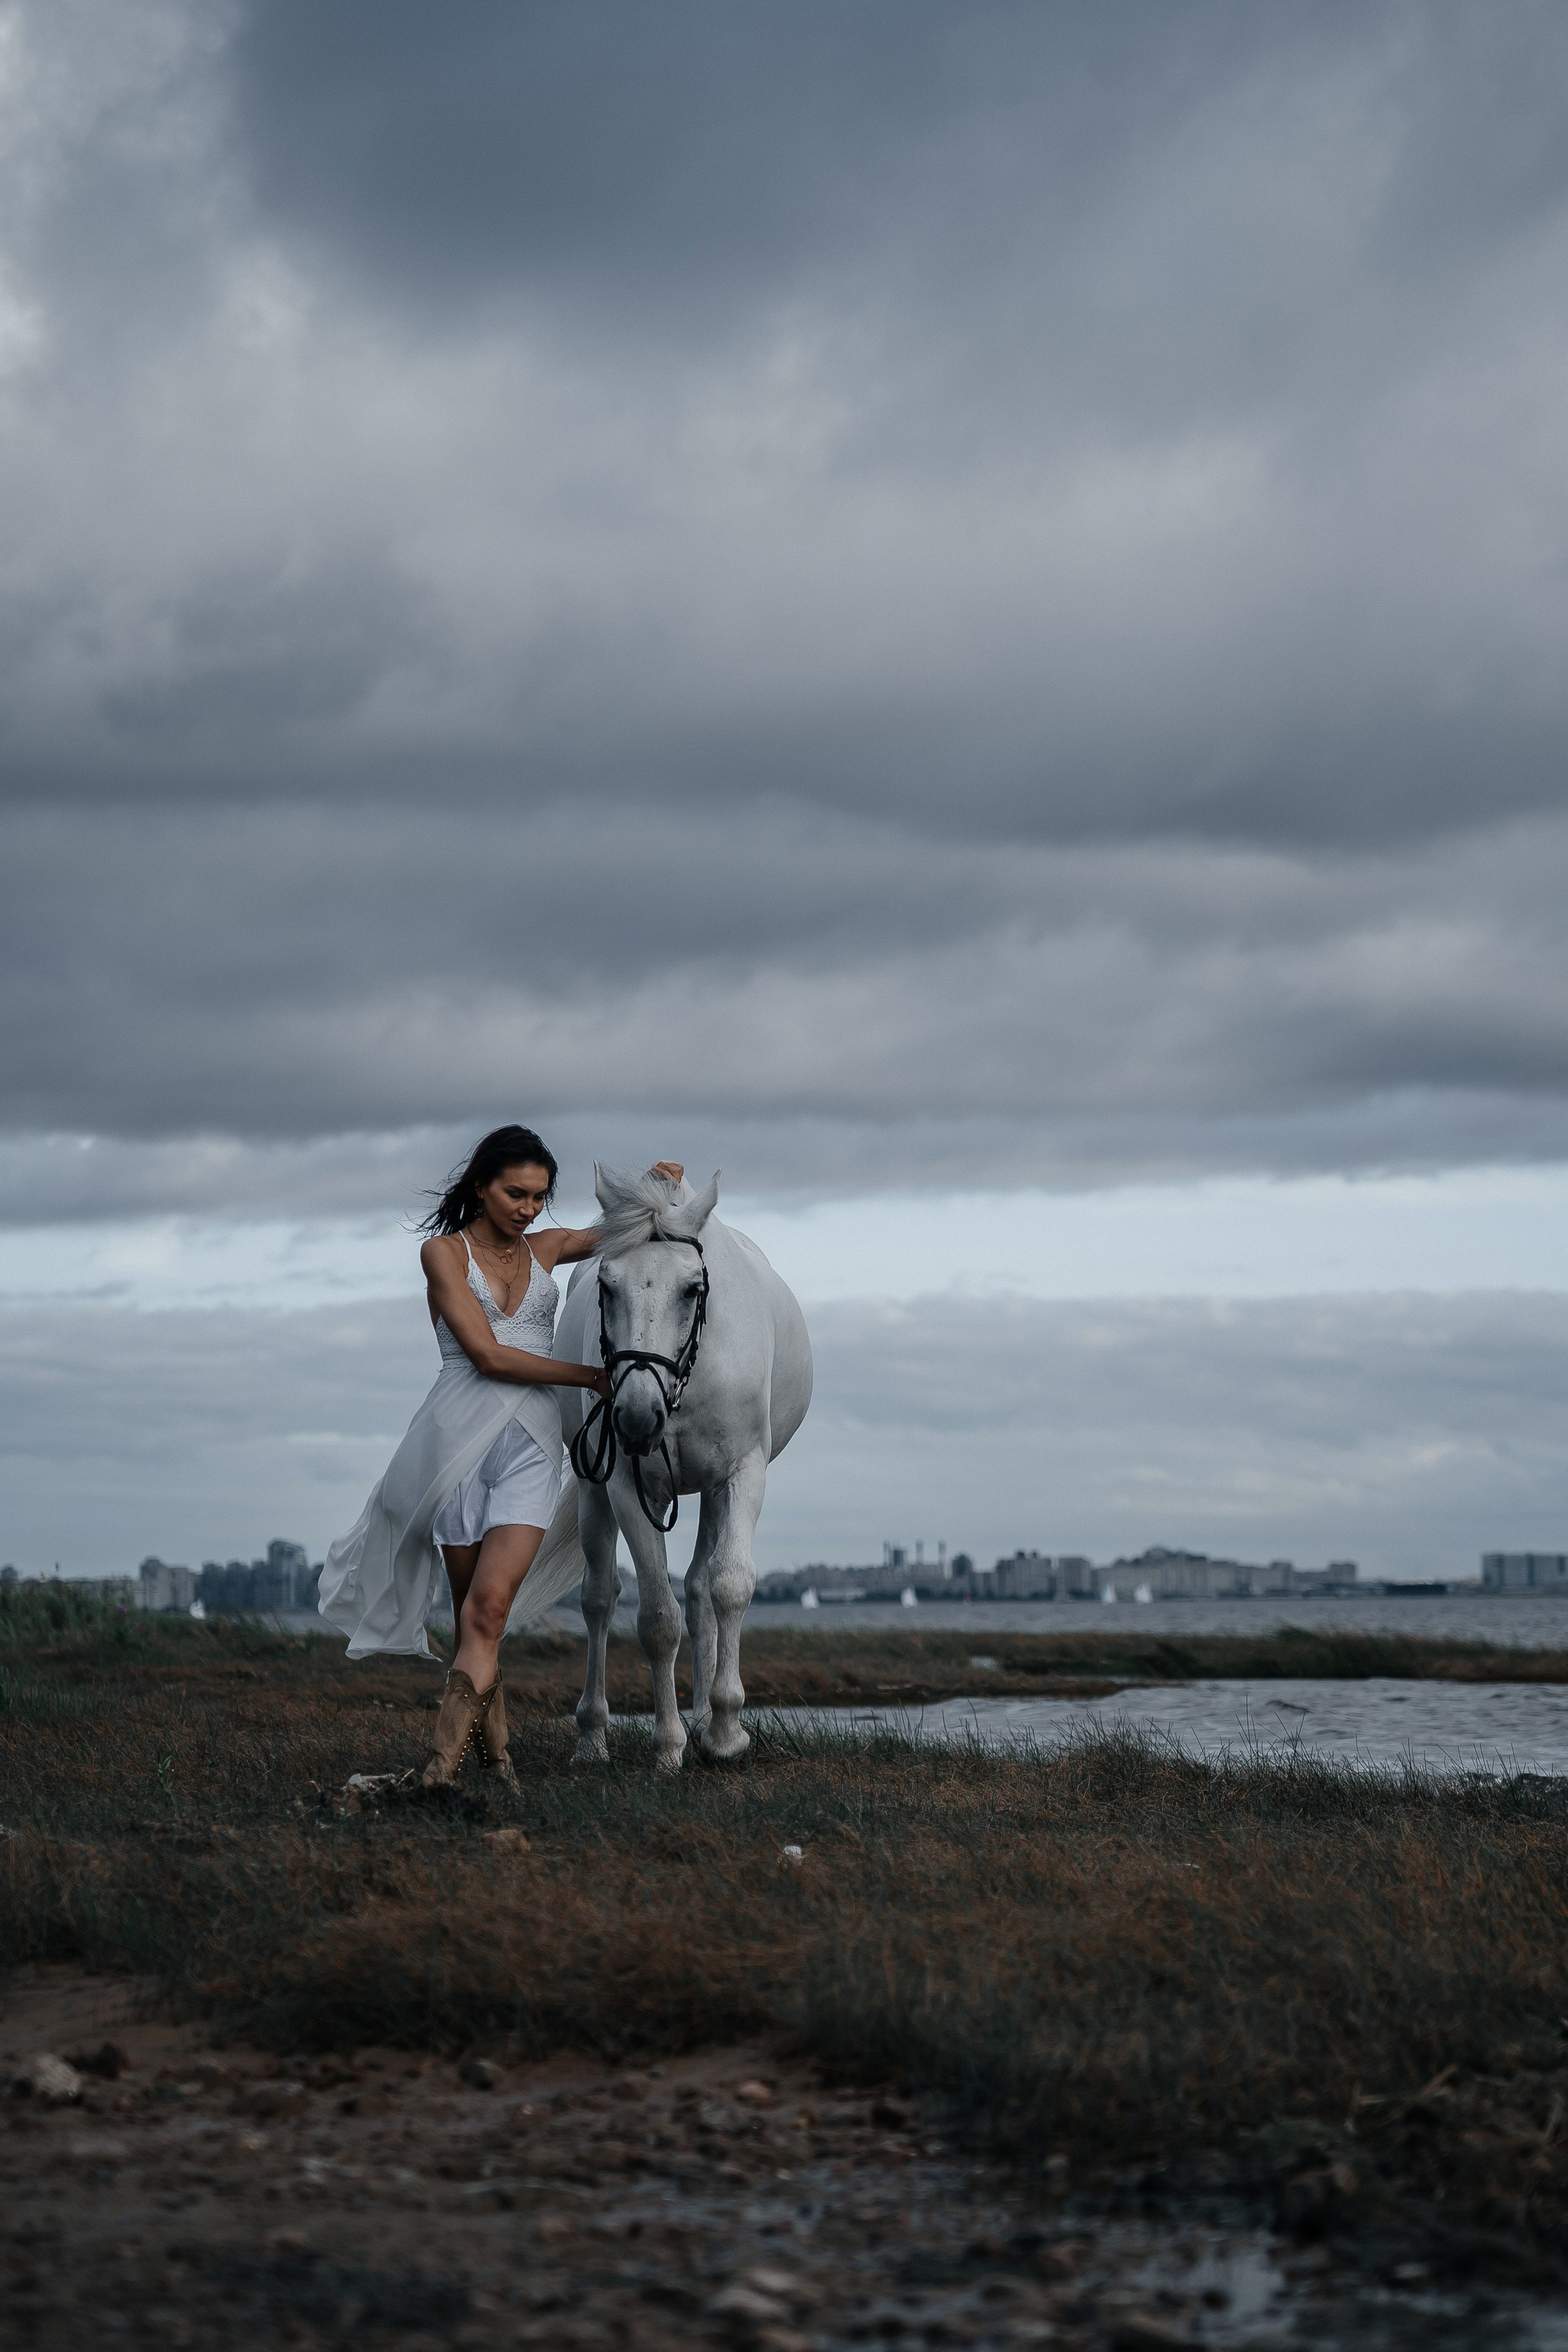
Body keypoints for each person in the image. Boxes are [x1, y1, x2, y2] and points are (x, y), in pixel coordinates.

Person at [317, 1125, 684, 1788]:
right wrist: (588, 1377)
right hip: (456, 1441)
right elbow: (486, 1355)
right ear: (481, 1185)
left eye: (540, 1197)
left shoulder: (548, 1249)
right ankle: (502, 1766)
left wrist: (659, 1189)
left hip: (533, 1448)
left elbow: (630, 1233)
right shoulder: (442, 1255)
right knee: (472, 1624)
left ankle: (436, 1772)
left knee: (488, 1612)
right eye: (516, 1193)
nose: (528, 1209)